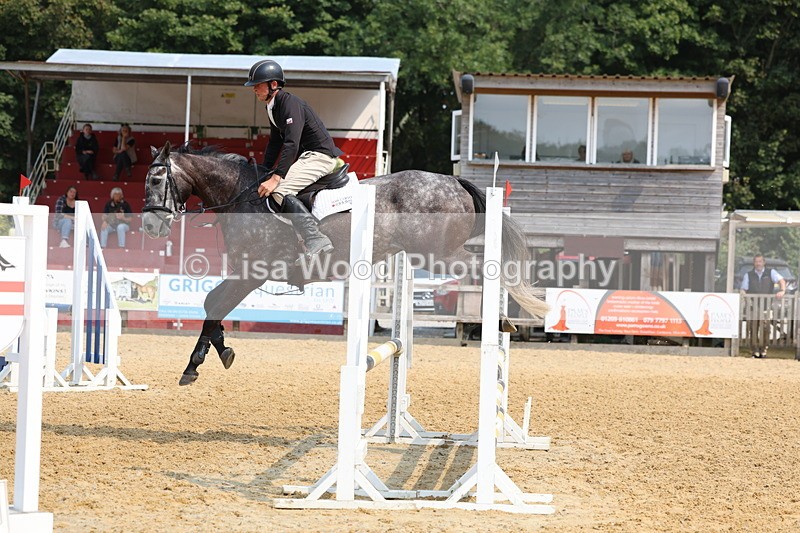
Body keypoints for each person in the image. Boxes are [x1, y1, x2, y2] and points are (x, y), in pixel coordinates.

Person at [246, 59, 344, 262]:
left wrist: (277, 177)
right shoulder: (272, 107)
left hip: (320, 156)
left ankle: (315, 238)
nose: (254, 89)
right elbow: (275, 142)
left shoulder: (289, 103)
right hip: (306, 157)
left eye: (258, 84)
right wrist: (265, 170)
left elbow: (291, 143)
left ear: (273, 85)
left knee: (281, 190)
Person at [740, 254, 786, 358]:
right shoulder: (748, 275)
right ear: (754, 263)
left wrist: (782, 290)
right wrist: (744, 296)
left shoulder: (771, 272)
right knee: (753, 328)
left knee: (766, 329)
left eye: (760, 261)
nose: (758, 264)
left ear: (764, 262)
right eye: (756, 262)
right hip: (753, 307)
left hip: (767, 307)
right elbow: (743, 289)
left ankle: (764, 349)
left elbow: (781, 280)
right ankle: (754, 350)